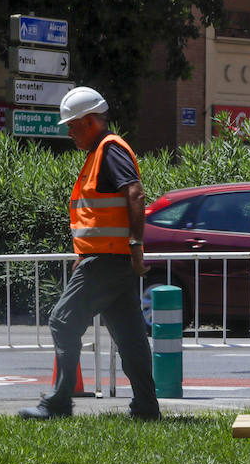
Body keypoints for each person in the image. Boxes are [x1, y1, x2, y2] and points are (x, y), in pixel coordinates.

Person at [19, 87, 160, 421]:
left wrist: (136, 248)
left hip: (107, 260)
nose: (69, 132)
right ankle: (145, 407)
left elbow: (136, 194)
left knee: (63, 322)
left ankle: (57, 404)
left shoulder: (110, 150)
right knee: (130, 337)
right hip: (108, 258)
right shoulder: (99, 154)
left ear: (91, 121)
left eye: (73, 125)